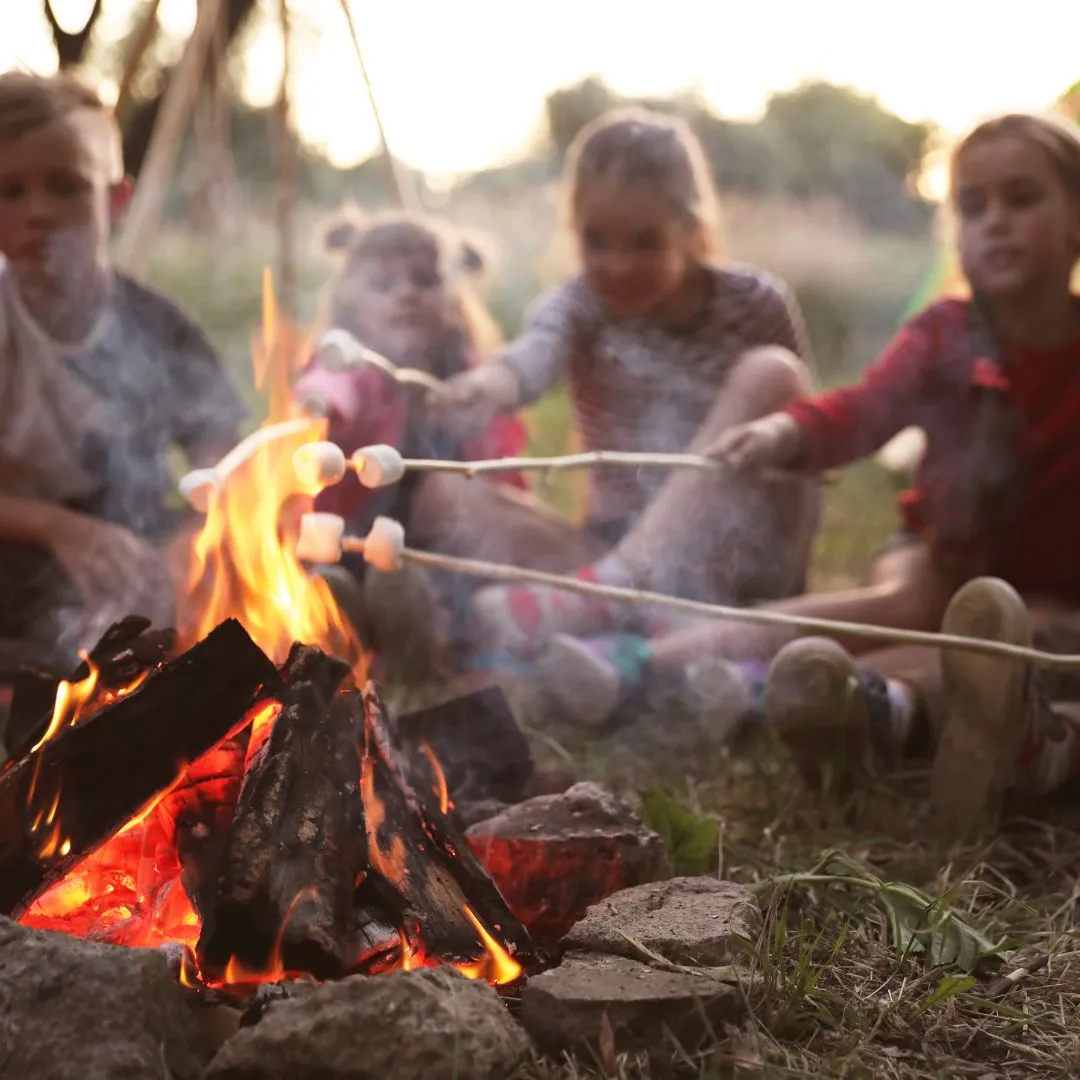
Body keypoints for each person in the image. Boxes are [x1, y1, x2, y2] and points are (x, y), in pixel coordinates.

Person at [648, 110, 1080, 841]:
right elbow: (863, 409)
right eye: (973, 207)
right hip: (937, 553)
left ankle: (855, 702)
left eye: (1022, 198)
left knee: (1020, 637)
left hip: (1049, 588)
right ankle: (655, 661)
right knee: (923, 599)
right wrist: (787, 429)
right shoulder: (946, 333)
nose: (995, 223)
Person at [436, 106, 820, 713]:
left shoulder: (756, 303)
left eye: (645, 243)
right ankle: (628, 629)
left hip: (736, 564)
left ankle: (620, 615)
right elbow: (537, 351)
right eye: (596, 240)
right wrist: (490, 384)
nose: (616, 264)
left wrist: (787, 577)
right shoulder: (581, 303)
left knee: (773, 374)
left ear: (692, 230)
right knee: (442, 495)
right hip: (610, 552)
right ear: (573, 228)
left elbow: (809, 445)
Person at [0, 71, 247, 675]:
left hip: (131, 538)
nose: (37, 213)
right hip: (18, 542)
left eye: (66, 187)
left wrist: (190, 542)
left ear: (115, 199)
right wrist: (62, 530)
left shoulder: (155, 325)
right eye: (9, 192)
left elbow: (224, 451)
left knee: (259, 572)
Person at [292, 211, 600, 676]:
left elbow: (499, 470)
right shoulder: (354, 365)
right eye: (383, 284)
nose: (406, 294)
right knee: (347, 575)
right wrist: (318, 403)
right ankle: (348, 621)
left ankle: (419, 637)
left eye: (425, 281)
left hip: (443, 556)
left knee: (438, 562)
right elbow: (333, 383)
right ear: (349, 304)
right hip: (354, 537)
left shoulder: (468, 378)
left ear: (454, 301)